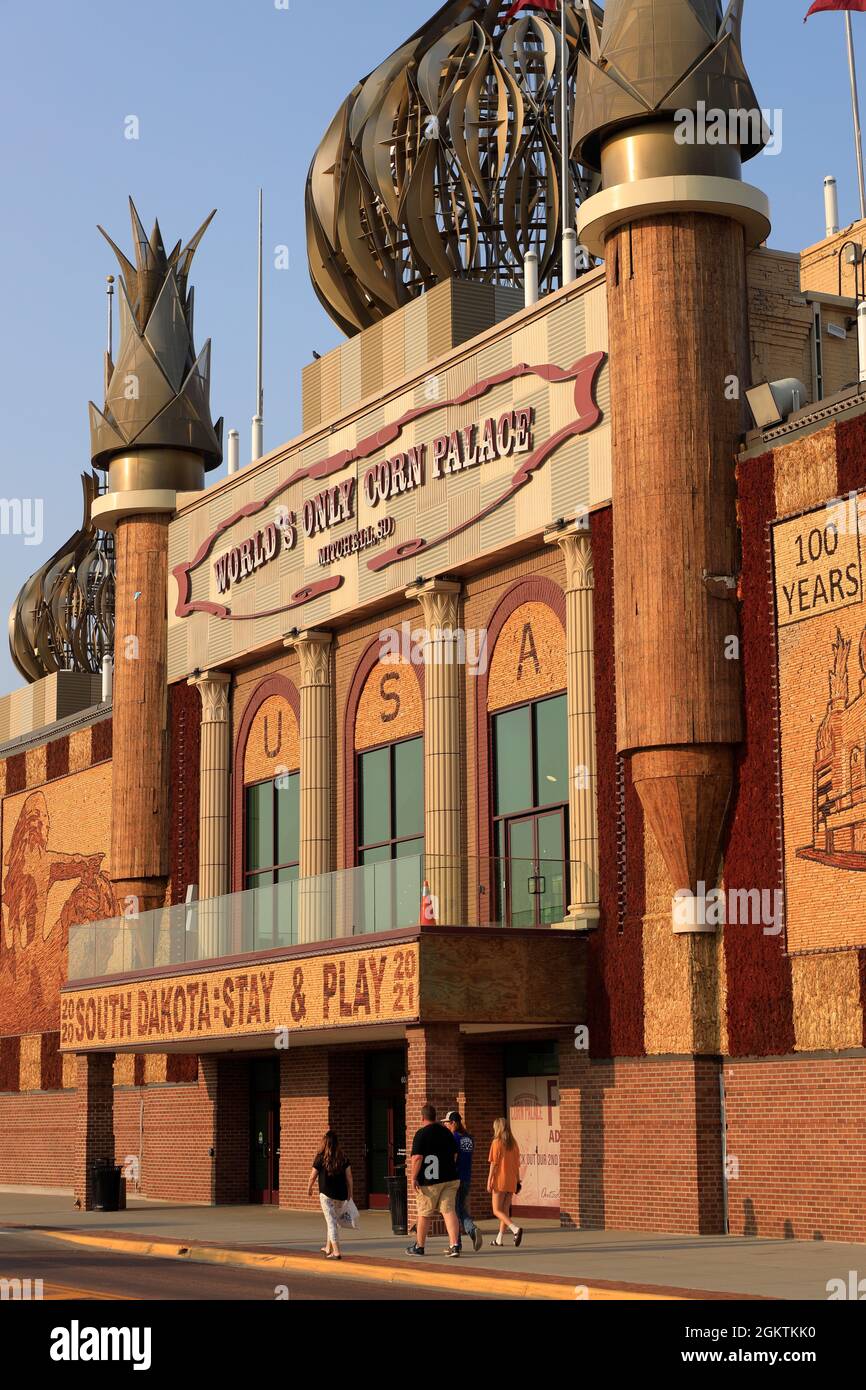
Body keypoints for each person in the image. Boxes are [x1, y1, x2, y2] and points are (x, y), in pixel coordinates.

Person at [406, 1103, 461, 1258]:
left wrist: (413, 1177)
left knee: (424, 1213)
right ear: (435, 1117)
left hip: (429, 1181)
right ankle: (454, 1245)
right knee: (449, 1211)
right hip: (450, 1178)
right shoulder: (447, 1132)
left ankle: (420, 1246)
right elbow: (455, 1155)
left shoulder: (421, 1134)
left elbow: (417, 1158)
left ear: (422, 1117)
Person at [307, 1130, 353, 1260]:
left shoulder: (320, 1157)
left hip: (326, 1194)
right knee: (332, 1220)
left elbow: (312, 1176)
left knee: (331, 1221)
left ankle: (336, 1252)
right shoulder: (343, 1158)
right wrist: (350, 1193)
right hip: (341, 1194)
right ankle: (328, 1247)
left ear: (324, 1143)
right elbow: (349, 1177)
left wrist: (309, 1188)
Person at [443, 1110, 482, 1252]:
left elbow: (452, 1159)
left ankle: (466, 1234)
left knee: (453, 1211)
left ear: (453, 1123)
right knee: (459, 1209)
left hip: (456, 1178)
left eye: (447, 1123)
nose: (446, 1125)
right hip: (467, 1178)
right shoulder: (469, 1138)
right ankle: (455, 1243)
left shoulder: (453, 1138)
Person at [487, 1115, 523, 1248]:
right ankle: (499, 1239)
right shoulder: (514, 1144)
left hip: (500, 1179)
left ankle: (515, 1229)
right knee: (505, 1210)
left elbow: (494, 1164)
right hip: (511, 1179)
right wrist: (518, 1180)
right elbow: (517, 1164)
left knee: (496, 1210)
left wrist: (489, 1180)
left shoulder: (496, 1142)